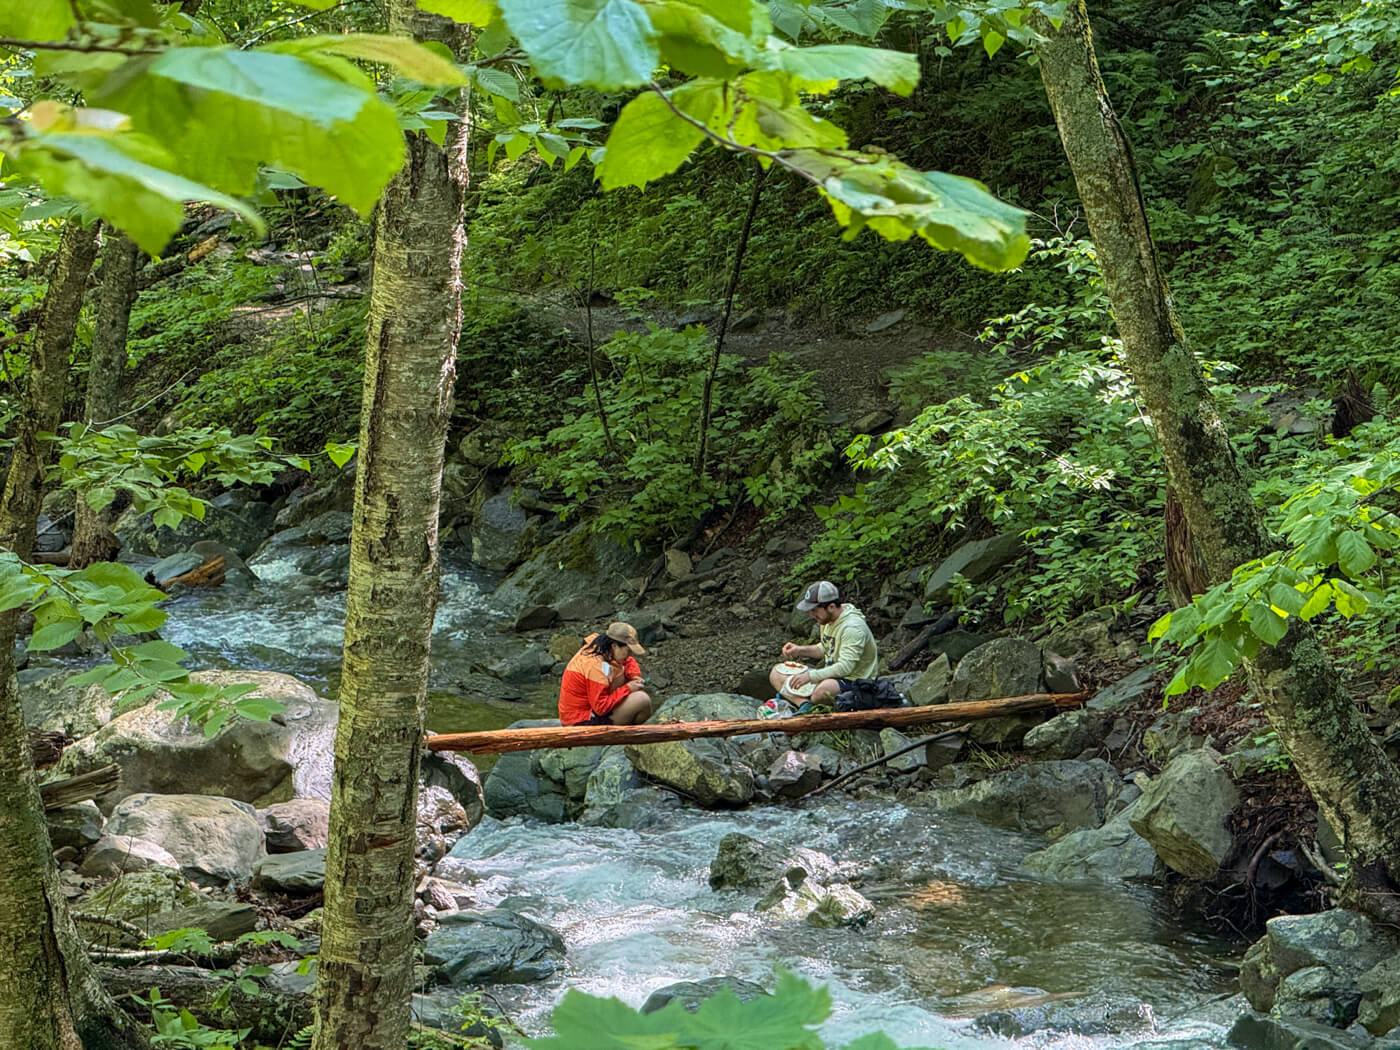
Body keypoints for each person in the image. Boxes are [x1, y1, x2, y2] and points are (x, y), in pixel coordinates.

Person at [770, 580, 878, 705]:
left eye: (814, 610)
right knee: (775, 673)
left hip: (855, 680)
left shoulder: (852, 628)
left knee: (822, 692)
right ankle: (804, 704)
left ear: (831, 607)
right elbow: (825, 648)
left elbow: (845, 667)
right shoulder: (827, 620)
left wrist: (810, 676)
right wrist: (799, 650)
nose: (811, 615)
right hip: (831, 674)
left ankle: (809, 701)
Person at [559, 621, 653, 726]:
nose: (630, 655)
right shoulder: (594, 666)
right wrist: (628, 688)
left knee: (634, 690)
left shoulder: (602, 647)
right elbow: (601, 707)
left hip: (592, 711)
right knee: (642, 700)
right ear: (615, 646)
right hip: (579, 721)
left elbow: (629, 661)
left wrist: (634, 676)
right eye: (628, 651)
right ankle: (626, 733)